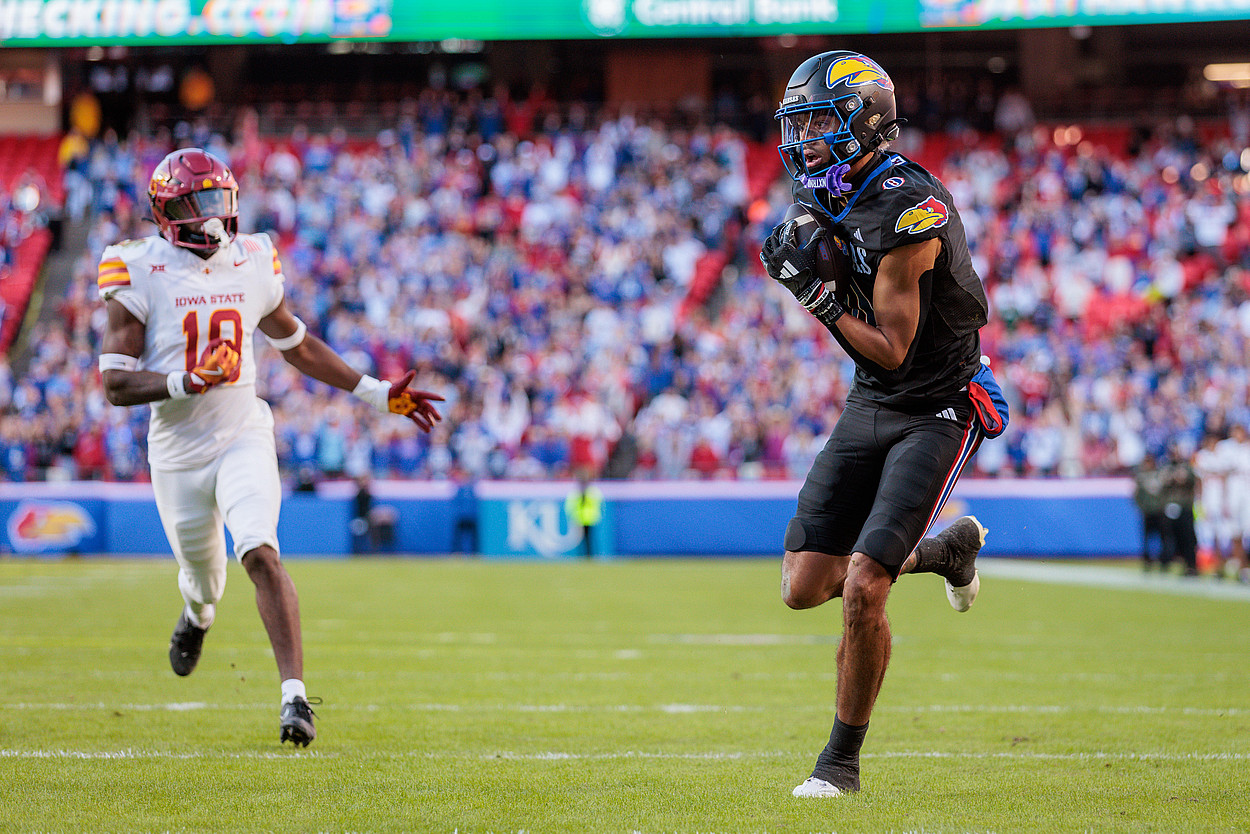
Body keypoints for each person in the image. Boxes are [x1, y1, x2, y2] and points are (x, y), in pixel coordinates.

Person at [97, 148, 444, 746]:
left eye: (217, 199)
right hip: (177, 453)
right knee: (203, 581)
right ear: (166, 212)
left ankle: (295, 699)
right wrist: (187, 380)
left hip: (242, 434)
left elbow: (297, 344)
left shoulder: (252, 258)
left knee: (260, 552)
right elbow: (115, 384)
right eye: (196, 202)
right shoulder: (137, 267)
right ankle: (197, 614)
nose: (211, 214)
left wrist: (376, 393)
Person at [758, 51, 1009, 798]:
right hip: (873, 399)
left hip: (937, 403)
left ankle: (839, 764)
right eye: (798, 126)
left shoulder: (911, 209)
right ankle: (943, 553)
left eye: (818, 124)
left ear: (865, 121)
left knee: (865, 586)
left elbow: (895, 349)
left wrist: (818, 299)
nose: (804, 141)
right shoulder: (828, 189)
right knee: (803, 586)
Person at [1133, 453, 1169, 572]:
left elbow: (1166, 493)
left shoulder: (1160, 475)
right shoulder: (1141, 477)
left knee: (1163, 538)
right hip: (1147, 512)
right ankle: (1147, 561)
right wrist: (1142, 508)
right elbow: (1137, 495)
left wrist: (1163, 506)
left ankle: (1164, 561)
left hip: (1159, 511)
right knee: (1147, 539)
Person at [564, 470, 604, 559]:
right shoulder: (577, 492)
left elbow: (599, 504)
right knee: (580, 539)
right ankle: (582, 555)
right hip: (580, 518)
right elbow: (571, 505)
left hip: (590, 518)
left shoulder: (592, 491)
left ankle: (590, 555)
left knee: (590, 538)